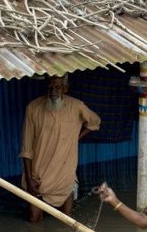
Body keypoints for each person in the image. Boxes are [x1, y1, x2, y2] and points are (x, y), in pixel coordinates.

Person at [20, 75, 101, 222]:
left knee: (67, 221)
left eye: (57, 87)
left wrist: (76, 137)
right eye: (50, 87)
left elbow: (95, 122)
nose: (53, 91)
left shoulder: (77, 106)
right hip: (39, 174)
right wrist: (29, 179)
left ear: (65, 88)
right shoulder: (33, 108)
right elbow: (26, 148)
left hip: (65, 174)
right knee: (34, 219)